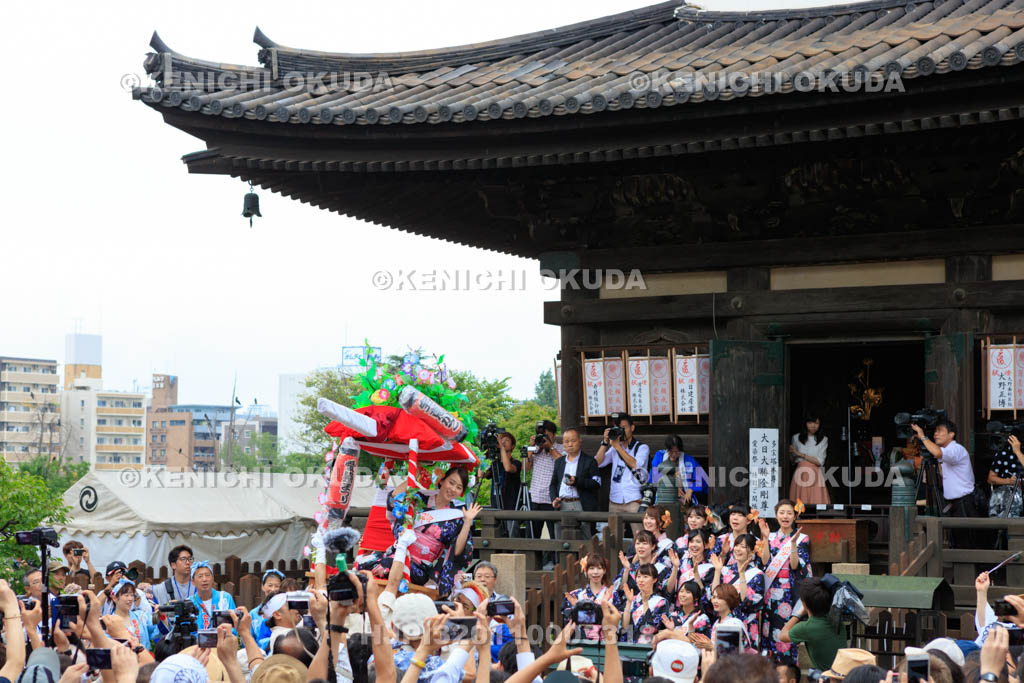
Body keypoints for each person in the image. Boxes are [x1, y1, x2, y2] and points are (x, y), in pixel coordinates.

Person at [381, 466, 481, 598]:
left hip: (420, 568)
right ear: (442, 480)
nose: (453, 489)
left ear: (461, 492)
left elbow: (457, 552)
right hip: (400, 553)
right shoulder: (419, 498)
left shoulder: (456, 517)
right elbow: (393, 501)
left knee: (389, 566)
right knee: (372, 565)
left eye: (458, 487)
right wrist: (412, 478)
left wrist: (467, 522)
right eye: (451, 483)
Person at [756, 499, 811, 673]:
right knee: (768, 630)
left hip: (788, 593)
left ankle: (788, 673)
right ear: (776, 515)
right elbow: (765, 562)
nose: (785, 516)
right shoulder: (771, 536)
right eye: (781, 513)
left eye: (789, 513)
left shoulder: (802, 538)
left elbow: (795, 566)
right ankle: (769, 672)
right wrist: (765, 538)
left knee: (785, 634)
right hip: (770, 590)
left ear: (795, 516)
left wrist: (793, 544)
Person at [596, 413, 650, 538]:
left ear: (632, 428)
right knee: (613, 538)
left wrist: (618, 447)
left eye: (624, 428)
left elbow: (636, 464)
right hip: (615, 500)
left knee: (640, 536)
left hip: (634, 499)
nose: (621, 432)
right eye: (618, 429)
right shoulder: (614, 449)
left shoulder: (642, 447)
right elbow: (597, 463)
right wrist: (604, 443)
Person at [910, 419, 978, 519]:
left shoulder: (956, 449)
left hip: (964, 502)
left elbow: (937, 453)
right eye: (935, 431)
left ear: (951, 434)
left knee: (963, 529)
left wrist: (923, 437)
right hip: (954, 502)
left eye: (940, 431)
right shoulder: (946, 451)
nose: (936, 434)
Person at [778, 577, 847, 673]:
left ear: (804, 603)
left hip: (828, 676)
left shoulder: (806, 627)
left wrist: (797, 614)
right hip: (844, 672)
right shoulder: (836, 618)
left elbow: (782, 636)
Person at [711, 534, 765, 651]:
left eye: (743, 547)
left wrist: (741, 574)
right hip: (724, 621)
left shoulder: (757, 574)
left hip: (745, 624)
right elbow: (715, 594)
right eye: (736, 545)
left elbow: (747, 602)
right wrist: (717, 571)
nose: (738, 549)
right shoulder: (726, 570)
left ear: (752, 551)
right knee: (722, 656)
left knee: (743, 659)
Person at [550, 427, 601, 539]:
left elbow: (596, 483)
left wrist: (576, 481)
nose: (570, 444)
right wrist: (554, 499)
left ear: (580, 441)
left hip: (581, 504)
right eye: (566, 441)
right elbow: (553, 484)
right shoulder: (559, 462)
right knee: (560, 539)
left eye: (573, 441)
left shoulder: (589, 461)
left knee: (585, 539)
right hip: (561, 504)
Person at [524, 420, 564, 552]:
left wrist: (550, 447)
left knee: (555, 536)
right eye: (542, 435)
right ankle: (534, 561)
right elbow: (525, 469)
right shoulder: (536, 449)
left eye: (547, 435)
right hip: (535, 497)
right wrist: (531, 448)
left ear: (554, 434)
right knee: (532, 537)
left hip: (552, 499)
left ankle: (556, 561)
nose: (544, 438)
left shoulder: (561, 448)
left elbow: (563, 464)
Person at [614, 530, 677, 607]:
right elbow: (620, 590)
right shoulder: (630, 566)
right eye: (638, 543)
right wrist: (626, 570)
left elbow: (668, 590)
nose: (640, 546)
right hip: (629, 608)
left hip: (652, 608)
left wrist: (675, 567)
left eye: (644, 543)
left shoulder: (661, 568)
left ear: (653, 546)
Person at [562, 553, 614, 640]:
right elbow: (569, 623)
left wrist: (580, 612)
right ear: (586, 570)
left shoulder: (612, 594)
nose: (595, 572)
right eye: (592, 568)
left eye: (599, 568)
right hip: (580, 642)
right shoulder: (576, 595)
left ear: (604, 571)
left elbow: (616, 622)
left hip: (606, 641)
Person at [619, 564, 670, 644]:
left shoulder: (661, 602)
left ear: (654, 580)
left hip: (648, 646)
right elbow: (625, 626)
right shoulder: (632, 599)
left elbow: (651, 628)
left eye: (645, 577)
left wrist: (646, 602)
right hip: (628, 645)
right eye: (639, 576)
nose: (641, 580)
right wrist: (628, 603)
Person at [650, 436, 708, 506]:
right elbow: (655, 477)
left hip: (685, 496)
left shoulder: (689, 460)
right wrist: (674, 489)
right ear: (667, 449)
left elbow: (700, 478)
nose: (674, 454)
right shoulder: (659, 457)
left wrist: (690, 490)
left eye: (676, 452)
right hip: (665, 495)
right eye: (671, 452)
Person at [106, 578, 159, 650]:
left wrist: (160, 616)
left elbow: (156, 631)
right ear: (115, 598)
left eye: (132, 595)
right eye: (126, 595)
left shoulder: (141, 616)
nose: (130, 599)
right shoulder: (109, 622)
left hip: (144, 656)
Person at [487, 432, 523, 536]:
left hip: (511, 507)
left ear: (513, 446)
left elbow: (507, 468)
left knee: (512, 538)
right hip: (496, 506)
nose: (502, 442)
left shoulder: (516, 463)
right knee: (496, 537)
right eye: (501, 440)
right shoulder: (495, 463)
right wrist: (485, 455)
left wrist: (501, 448)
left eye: (506, 440)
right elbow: (482, 475)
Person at [789, 415, 830, 505]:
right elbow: (792, 460)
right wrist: (792, 454)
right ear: (805, 424)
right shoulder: (796, 438)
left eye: (816, 423)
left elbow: (820, 461)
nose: (813, 426)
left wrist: (800, 454)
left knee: (816, 501)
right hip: (800, 472)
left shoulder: (823, 439)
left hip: (815, 472)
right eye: (810, 423)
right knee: (800, 503)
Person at [189, 561, 236, 630]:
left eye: (207, 575)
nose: (204, 579)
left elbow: (234, 625)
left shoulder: (225, 598)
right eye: (200, 576)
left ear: (213, 579)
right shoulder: (189, 603)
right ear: (193, 582)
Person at [676, 529, 715, 611]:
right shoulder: (683, 563)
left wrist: (697, 576)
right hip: (681, 610)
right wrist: (675, 568)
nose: (694, 545)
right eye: (691, 541)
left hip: (700, 611)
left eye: (698, 542)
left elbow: (709, 596)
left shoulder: (711, 567)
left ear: (706, 545)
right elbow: (672, 590)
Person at [988, 433, 1024, 519]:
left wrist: (1018, 452)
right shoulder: (1003, 453)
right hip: (1007, 499)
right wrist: (1008, 481)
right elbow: (990, 479)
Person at [251, 569, 285, 645]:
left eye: (277, 586)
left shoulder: (285, 611)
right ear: (262, 586)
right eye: (270, 585)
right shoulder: (253, 613)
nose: (273, 589)